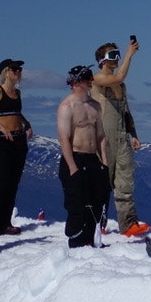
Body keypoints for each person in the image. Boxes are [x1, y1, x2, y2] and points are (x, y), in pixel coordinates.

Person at [91, 38, 149, 237]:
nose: (116, 58)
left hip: (121, 136)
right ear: (102, 60)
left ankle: (129, 224)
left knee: (125, 182)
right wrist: (129, 54)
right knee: (101, 182)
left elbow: (125, 111)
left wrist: (133, 134)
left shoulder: (121, 86)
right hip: (103, 137)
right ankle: (97, 224)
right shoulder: (97, 79)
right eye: (112, 55)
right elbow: (118, 78)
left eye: (117, 54)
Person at [57, 65, 109, 248]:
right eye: (87, 77)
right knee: (77, 203)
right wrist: (72, 167)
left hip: (92, 158)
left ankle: (91, 240)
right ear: (77, 81)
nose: (91, 80)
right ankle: (77, 242)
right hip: (75, 158)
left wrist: (105, 162)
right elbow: (64, 139)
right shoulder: (67, 106)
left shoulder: (95, 106)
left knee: (96, 201)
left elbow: (101, 136)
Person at [0, 58, 32, 239]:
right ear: (6, 72)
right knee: (1, 184)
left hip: (19, 139)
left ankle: (4, 222)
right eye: (14, 69)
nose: (18, 72)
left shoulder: (17, 93)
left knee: (13, 184)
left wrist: (26, 123)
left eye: (19, 69)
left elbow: (16, 112)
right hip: (3, 141)